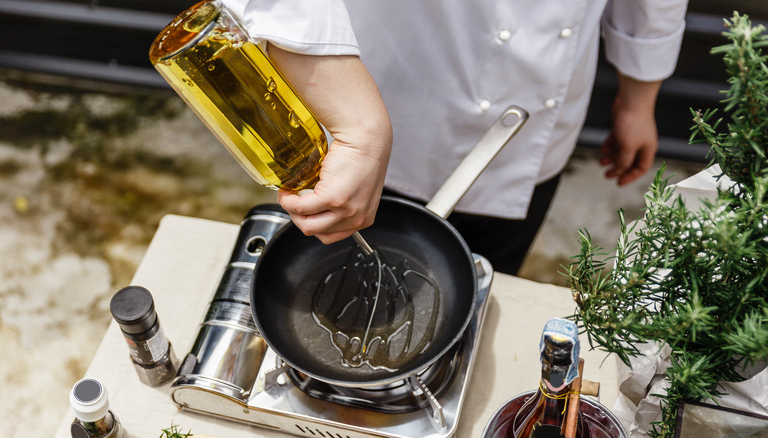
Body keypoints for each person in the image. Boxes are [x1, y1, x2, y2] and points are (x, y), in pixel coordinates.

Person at [222, 0, 689, 275]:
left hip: (526, 135)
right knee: (322, 271)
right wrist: (358, 126)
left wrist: (637, 98)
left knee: (477, 278)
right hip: (385, 78)